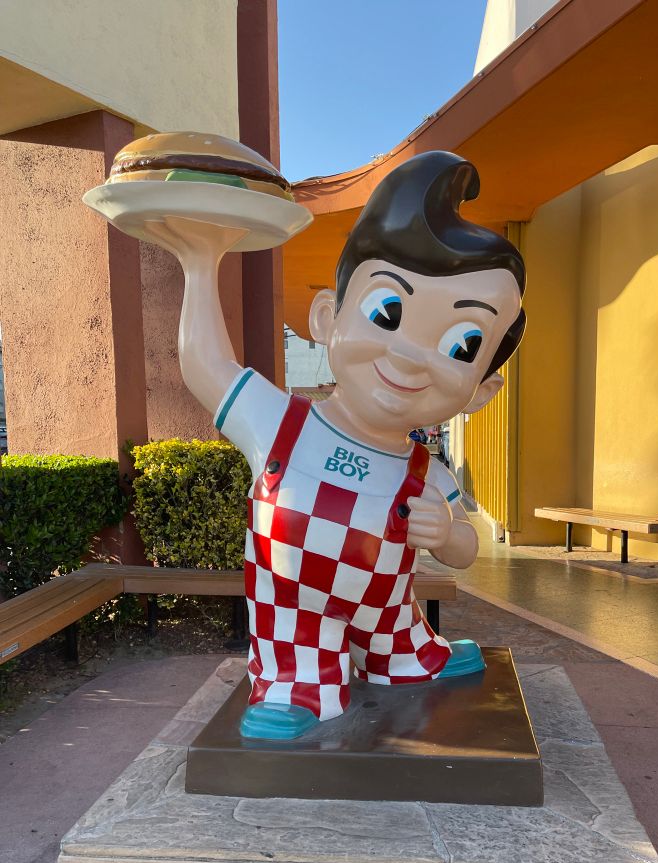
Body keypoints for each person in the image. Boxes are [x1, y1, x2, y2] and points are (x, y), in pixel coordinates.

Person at [144, 150, 525, 738]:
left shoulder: (422, 466)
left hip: (389, 610)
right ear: (326, 317)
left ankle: (403, 656)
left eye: (461, 346)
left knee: (403, 645)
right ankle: (294, 680)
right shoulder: (281, 423)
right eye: (388, 311)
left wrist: (447, 534)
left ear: (481, 391)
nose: (408, 355)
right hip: (294, 611)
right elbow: (207, 365)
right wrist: (199, 263)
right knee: (298, 656)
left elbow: (465, 549)